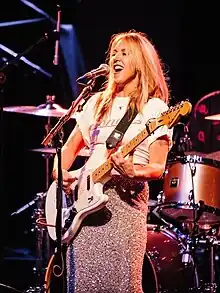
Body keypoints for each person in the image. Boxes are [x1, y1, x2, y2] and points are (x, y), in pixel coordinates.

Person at [52, 29, 173, 293]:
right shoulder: (96, 103)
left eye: (124, 53)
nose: (115, 58)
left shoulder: (154, 110)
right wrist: (61, 173)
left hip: (124, 211)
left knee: (121, 285)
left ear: (140, 62)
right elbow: (68, 149)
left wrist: (132, 170)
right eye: (113, 53)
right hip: (82, 213)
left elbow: (157, 168)